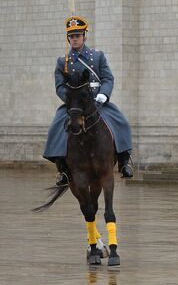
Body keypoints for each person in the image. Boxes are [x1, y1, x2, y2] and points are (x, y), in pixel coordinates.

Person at [43, 15, 133, 186]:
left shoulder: (97, 56)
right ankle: (62, 170)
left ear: (84, 36)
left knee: (121, 122)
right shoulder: (63, 62)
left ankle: (124, 162)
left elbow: (108, 78)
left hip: (97, 102)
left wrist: (104, 94)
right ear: (68, 38)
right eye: (72, 36)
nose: (75, 39)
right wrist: (71, 100)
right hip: (75, 105)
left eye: (78, 35)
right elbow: (60, 86)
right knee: (56, 126)